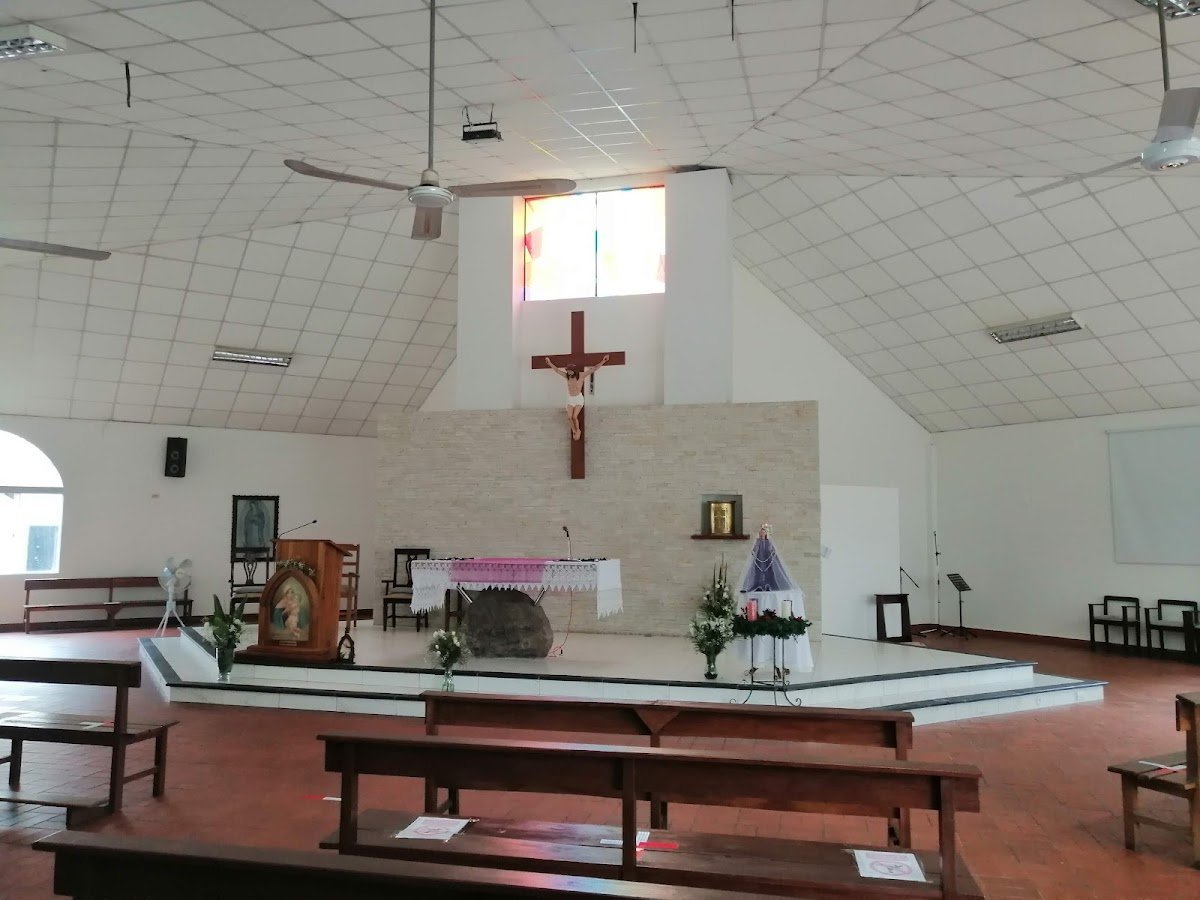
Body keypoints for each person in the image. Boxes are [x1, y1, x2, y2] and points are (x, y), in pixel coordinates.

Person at [544, 354, 610, 440]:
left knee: (574, 417)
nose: (568, 372)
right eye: (567, 370)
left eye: (569, 370)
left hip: (578, 399)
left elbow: (593, 369)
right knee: (569, 418)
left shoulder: (581, 375)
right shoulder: (567, 376)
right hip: (570, 399)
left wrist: (603, 361)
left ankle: (578, 430)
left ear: (574, 370)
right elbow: (557, 370)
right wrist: (549, 363)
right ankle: (574, 431)